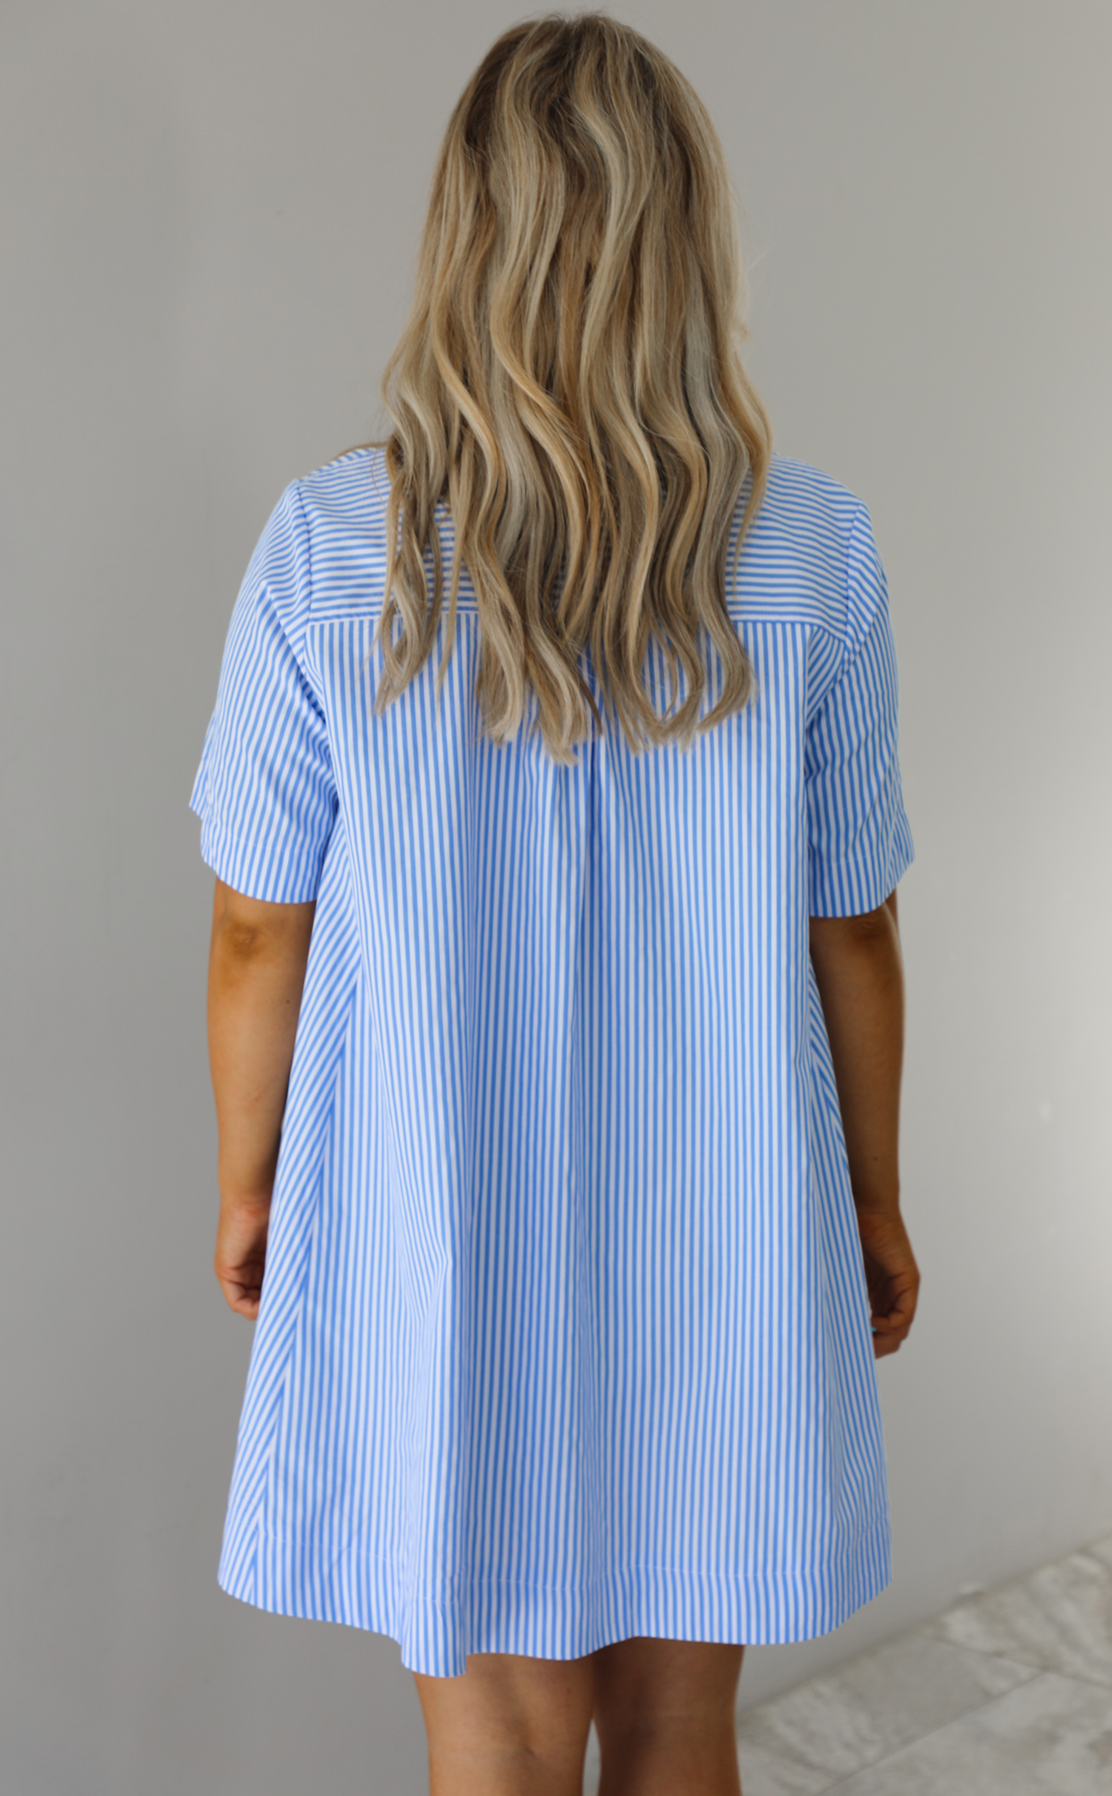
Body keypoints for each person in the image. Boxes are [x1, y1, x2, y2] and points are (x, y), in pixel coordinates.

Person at [192, 13, 919, 1794]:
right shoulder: (810, 548)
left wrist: (248, 1175)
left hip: (439, 1220)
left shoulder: (328, 545)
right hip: (732, 1222)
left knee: (499, 1744)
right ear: (693, 246)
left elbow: (254, 926)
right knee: (682, 1734)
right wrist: (877, 1204)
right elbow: (853, 925)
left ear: (466, 241)